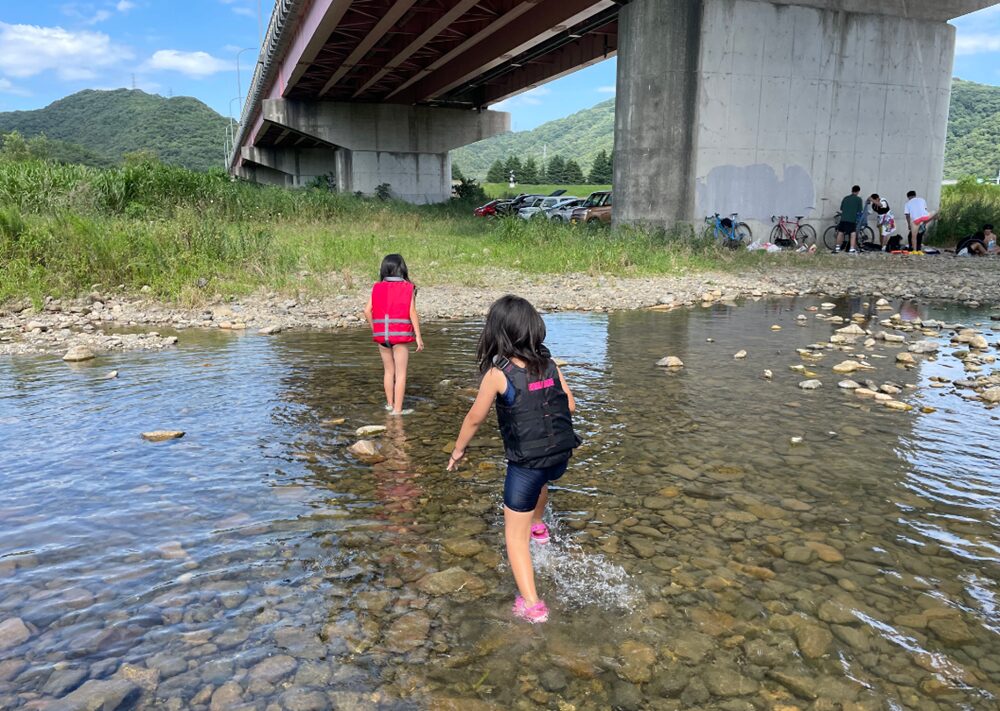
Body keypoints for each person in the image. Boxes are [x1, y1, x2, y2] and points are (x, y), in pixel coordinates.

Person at [446, 295, 580, 624]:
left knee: (513, 537)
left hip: (526, 464)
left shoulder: (498, 373)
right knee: (542, 479)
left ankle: (533, 606)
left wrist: (458, 449)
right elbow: (571, 406)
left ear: (498, 333)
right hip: (559, 456)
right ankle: (538, 526)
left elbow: (475, 418)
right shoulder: (548, 364)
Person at [364, 254, 424, 415]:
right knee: (401, 374)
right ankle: (397, 411)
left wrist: (375, 328)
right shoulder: (408, 287)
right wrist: (418, 336)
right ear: (402, 268)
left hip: (382, 336)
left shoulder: (377, 287)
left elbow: (366, 311)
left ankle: (389, 404)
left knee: (388, 372)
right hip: (400, 337)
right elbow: (412, 312)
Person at [834, 185, 864, 254]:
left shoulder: (846, 198)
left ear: (852, 190)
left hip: (843, 219)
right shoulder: (858, 199)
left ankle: (837, 248)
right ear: (858, 191)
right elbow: (860, 211)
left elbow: (841, 208)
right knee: (853, 234)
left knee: (840, 233)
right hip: (851, 219)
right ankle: (852, 249)